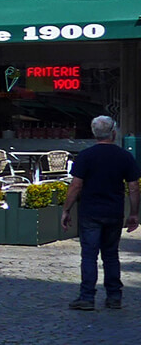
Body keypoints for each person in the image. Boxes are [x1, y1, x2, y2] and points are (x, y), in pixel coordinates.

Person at [62, 115, 141, 311]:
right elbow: (133, 187)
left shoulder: (85, 156)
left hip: (90, 212)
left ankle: (87, 297)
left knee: (89, 256)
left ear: (94, 133)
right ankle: (114, 297)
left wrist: (66, 209)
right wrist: (134, 213)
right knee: (111, 255)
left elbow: (76, 185)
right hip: (113, 212)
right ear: (113, 133)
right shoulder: (124, 156)